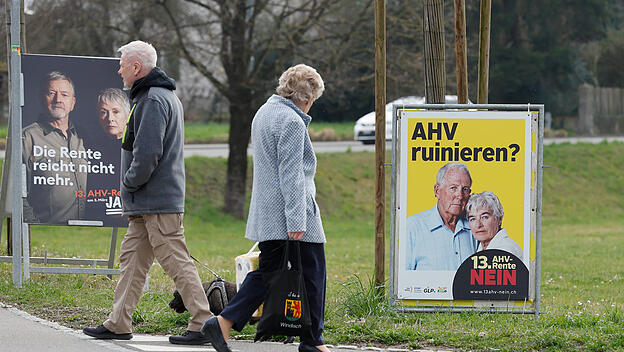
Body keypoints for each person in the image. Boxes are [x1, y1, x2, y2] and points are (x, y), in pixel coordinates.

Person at [83, 40, 212, 345]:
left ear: (136, 67)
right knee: (132, 262)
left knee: (175, 261)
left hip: (156, 201)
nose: (119, 69)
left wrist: (127, 183)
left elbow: (147, 154)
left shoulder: (153, 100)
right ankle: (118, 323)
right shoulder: (157, 96)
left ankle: (204, 322)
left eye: (123, 64)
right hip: (147, 202)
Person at [200, 64, 330, 352]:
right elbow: (292, 175)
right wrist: (297, 220)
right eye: (313, 100)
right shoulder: (293, 123)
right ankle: (313, 341)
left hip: (269, 213)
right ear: (307, 98)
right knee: (313, 274)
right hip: (293, 216)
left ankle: (223, 322)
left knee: (268, 273)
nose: (312, 107)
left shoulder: (265, 112)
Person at [22, 71, 88, 224]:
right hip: (48, 230)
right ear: (41, 98)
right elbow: (19, 193)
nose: (58, 100)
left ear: (73, 103)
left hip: (86, 230)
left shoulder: (84, 138)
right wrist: (34, 223)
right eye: (51, 93)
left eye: (64, 94)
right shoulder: (27, 138)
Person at [404, 162, 477, 271]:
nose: (460, 195)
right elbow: (402, 279)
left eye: (465, 189)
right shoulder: (414, 226)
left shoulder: (475, 227)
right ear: (437, 191)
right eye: (453, 188)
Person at [84, 88, 130, 225]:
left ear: (127, 115)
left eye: (116, 112)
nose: (110, 118)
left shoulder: (138, 147)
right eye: (103, 112)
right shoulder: (90, 149)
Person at [466, 191, 523, 259]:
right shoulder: (482, 248)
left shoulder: (505, 250)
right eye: (473, 219)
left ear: (499, 219)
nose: (478, 225)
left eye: (485, 217)